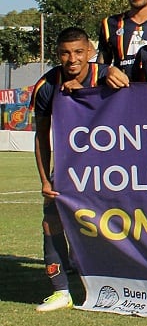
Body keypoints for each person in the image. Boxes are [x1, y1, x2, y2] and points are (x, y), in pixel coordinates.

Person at [30, 27, 108, 311]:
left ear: (89, 51)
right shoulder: (46, 86)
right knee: (51, 220)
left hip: (112, 169)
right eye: (65, 53)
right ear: (58, 54)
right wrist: (45, 179)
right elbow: (41, 136)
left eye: (78, 52)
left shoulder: (106, 76)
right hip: (70, 169)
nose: (72, 59)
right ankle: (61, 291)